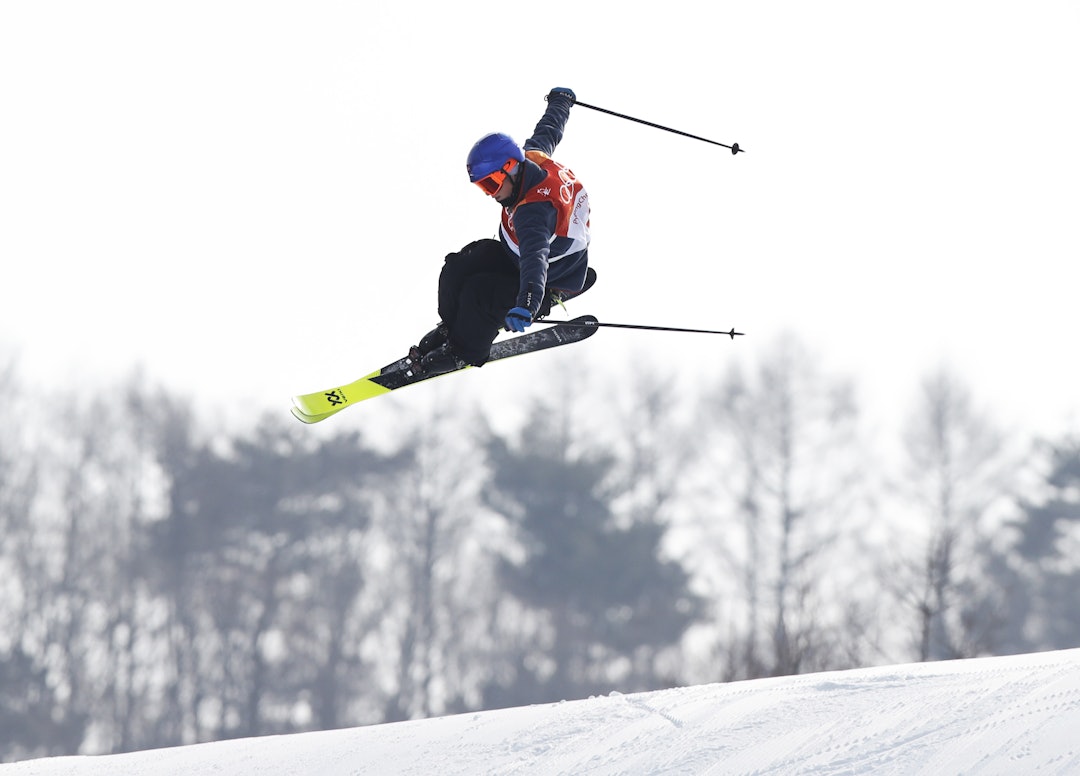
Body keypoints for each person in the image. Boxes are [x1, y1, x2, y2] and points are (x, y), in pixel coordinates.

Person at [413, 87, 592, 376]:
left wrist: (529, 304)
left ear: (511, 167)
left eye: (493, 184)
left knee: (481, 294)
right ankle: (452, 330)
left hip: (550, 276)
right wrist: (561, 103)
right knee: (462, 264)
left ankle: (464, 351)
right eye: (484, 187)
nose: (492, 194)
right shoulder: (532, 158)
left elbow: (535, 260)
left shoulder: (533, 213)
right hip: (518, 258)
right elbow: (550, 129)